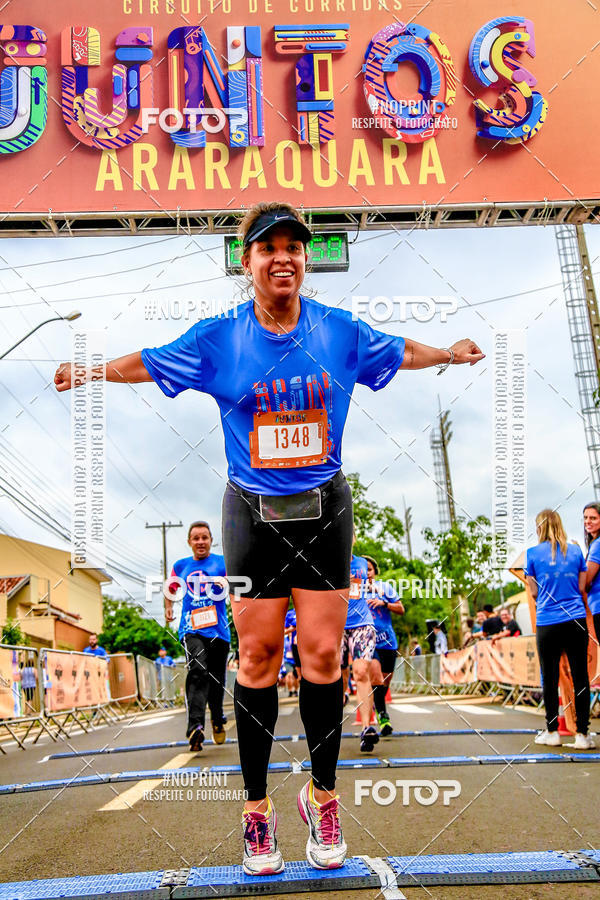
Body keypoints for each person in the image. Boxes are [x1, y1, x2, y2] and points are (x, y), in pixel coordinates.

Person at [54, 199, 484, 876]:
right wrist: (90, 370)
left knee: (323, 655)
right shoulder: (219, 338)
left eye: (293, 247)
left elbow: (399, 349)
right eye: (268, 248)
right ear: (247, 260)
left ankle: (323, 798)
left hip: (324, 510)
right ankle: (257, 811)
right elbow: (152, 360)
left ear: (303, 259)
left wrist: (448, 355)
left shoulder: (337, 330)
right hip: (251, 513)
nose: (283, 257)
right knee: (255, 659)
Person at [525, 508, 594, 750]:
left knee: (550, 677)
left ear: (539, 527)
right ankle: (582, 734)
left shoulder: (532, 554)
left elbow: (534, 592)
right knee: (580, 677)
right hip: (575, 618)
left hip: (547, 621)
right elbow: (582, 587)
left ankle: (552, 731)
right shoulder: (575, 551)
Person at [167, 520, 229, 751]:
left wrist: (226, 582)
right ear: (189, 542)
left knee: (216, 680)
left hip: (219, 631)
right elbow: (170, 588)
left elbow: (238, 586)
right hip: (191, 629)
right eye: (196, 538)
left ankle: (217, 718)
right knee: (198, 670)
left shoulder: (223, 562)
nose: (200, 542)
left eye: (204, 537)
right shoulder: (181, 566)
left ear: (211, 540)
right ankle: (195, 727)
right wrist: (168, 608)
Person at [342, 547, 378, 753]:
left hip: (362, 623)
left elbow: (368, 585)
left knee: (361, 672)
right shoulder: (325, 559)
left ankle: (366, 728)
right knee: (338, 675)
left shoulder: (362, 563)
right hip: (335, 625)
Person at [364, 557, 404, 737]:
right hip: (367, 641)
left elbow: (401, 609)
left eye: (370, 569)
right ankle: (383, 716)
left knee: (385, 681)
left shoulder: (385, 588)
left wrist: (384, 603)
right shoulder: (354, 591)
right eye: (363, 569)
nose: (366, 573)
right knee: (377, 678)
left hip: (387, 641)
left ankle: (377, 703)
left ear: (375, 571)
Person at [583, 501, 600, 645]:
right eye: (585, 517)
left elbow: (586, 580)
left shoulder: (597, 545)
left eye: (593, 518)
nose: (588, 521)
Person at [283, 608, 299, 696]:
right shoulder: (285, 639)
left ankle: (296, 690)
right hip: (288, 659)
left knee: (296, 677)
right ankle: (290, 691)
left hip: (299, 653)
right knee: (289, 675)